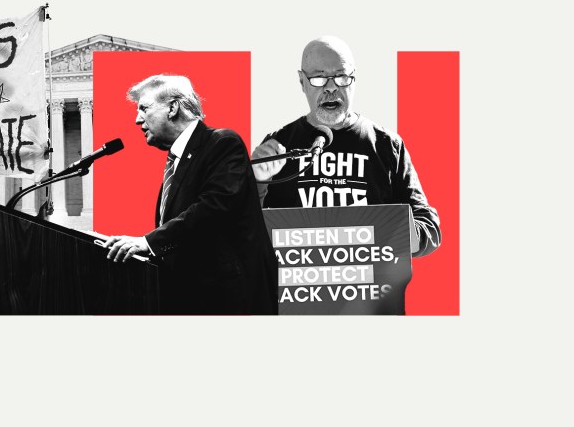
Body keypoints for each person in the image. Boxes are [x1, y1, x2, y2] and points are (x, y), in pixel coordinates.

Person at [251, 36, 441, 256]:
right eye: (319, 78)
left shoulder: (387, 146)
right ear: (302, 82)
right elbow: (240, 230)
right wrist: (256, 182)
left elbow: (430, 229)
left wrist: (385, 231)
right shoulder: (277, 146)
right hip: (297, 286)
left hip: (369, 286)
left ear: (354, 78)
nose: (331, 88)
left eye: (341, 77)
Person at [104, 75, 277, 315]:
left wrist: (148, 242)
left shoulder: (223, 143)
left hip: (227, 301)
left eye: (144, 108)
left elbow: (213, 208)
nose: (137, 119)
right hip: (189, 298)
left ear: (173, 107)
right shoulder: (177, 160)